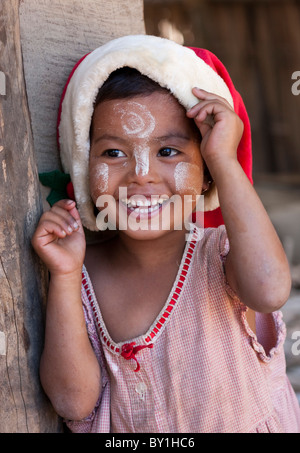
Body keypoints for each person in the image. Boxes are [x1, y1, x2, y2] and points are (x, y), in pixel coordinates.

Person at [32, 35, 300, 433]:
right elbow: (73, 402)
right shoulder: (80, 275)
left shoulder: (224, 255)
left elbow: (270, 290)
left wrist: (224, 158)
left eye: (169, 152)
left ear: (206, 171)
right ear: (83, 168)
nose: (141, 174)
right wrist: (67, 276)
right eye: (114, 153)